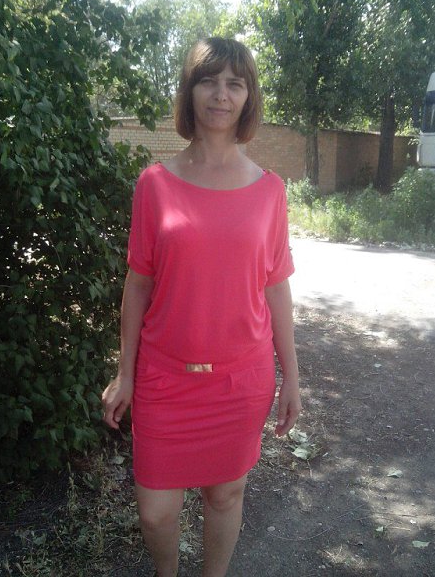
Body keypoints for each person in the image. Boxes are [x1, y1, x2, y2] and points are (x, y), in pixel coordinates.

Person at [101, 37, 302, 577]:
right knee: (156, 513)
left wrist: (292, 376)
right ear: (189, 93)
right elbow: (138, 286)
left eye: (235, 83)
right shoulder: (155, 185)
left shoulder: (270, 191)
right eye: (208, 81)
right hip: (164, 379)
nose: (221, 94)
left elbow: (276, 288)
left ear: (248, 96)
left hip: (239, 382)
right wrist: (125, 374)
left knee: (225, 496)